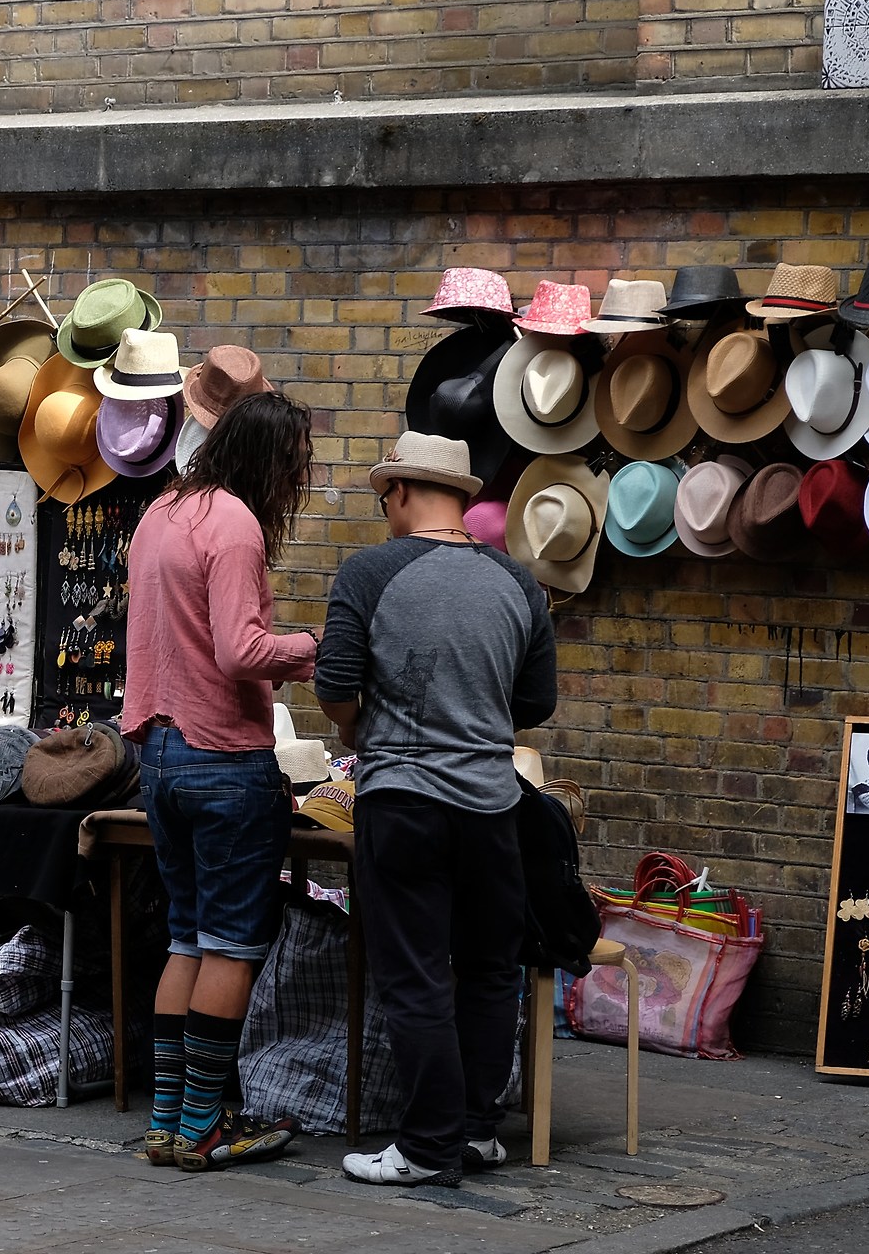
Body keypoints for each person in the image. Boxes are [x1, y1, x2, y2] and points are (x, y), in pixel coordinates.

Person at [315, 431, 556, 1187]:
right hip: (492, 803)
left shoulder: (369, 572)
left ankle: (426, 1147)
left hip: (403, 799)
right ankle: (477, 1133)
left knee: (415, 974)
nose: (384, 508)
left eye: (385, 496)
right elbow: (535, 703)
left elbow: (335, 685)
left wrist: (358, 731)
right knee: (489, 971)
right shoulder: (520, 584)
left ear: (403, 493)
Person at [118, 390, 318, 1171]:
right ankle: (203, 1127)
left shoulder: (163, 511)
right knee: (231, 949)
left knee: (187, 940)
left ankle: (170, 1124)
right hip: (225, 763)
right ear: (269, 461)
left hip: (160, 760)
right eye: (296, 467)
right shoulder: (234, 525)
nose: (298, 481)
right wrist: (319, 644)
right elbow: (240, 651)